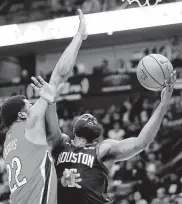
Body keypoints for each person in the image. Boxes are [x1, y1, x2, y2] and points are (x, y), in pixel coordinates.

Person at [1, 9, 87, 204]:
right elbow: (59, 75)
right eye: (30, 105)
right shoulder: (30, 123)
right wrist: (79, 36)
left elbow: (52, 142)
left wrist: (51, 104)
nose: (34, 107)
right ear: (23, 115)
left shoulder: (9, 142)